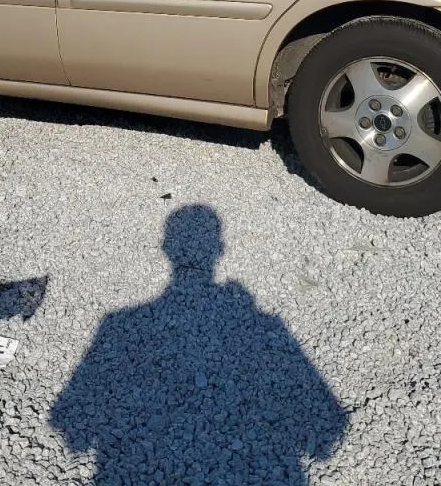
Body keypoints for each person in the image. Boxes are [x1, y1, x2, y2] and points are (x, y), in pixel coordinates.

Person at [51, 205, 346, 485]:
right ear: (219, 250)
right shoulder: (269, 326)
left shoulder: (115, 326)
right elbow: (327, 433)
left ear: (166, 249)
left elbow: (69, 428)